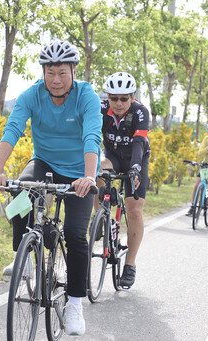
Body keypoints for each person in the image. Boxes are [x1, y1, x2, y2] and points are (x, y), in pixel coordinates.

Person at [0, 40, 102, 336]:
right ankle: (24, 258)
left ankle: (75, 304)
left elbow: (92, 135)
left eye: (62, 72)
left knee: (77, 236)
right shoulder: (32, 95)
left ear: (73, 71)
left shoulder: (86, 95)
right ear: (43, 72)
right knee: (19, 192)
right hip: (45, 162)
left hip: (79, 173)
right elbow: (13, 128)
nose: (56, 80)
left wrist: (89, 176)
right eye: (50, 73)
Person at [95, 71, 150, 288]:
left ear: (132, 96)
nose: (118, 103)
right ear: (107, 96)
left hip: (136, 158)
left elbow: (138, 143)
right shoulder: (100, 109)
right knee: (101, 170)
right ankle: (100, 214)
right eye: (113, 98)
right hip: (113, 156)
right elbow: (90, 135)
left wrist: (135, 169)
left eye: (124, 98)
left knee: (134, 208)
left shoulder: (140, 112)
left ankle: (130, 264)